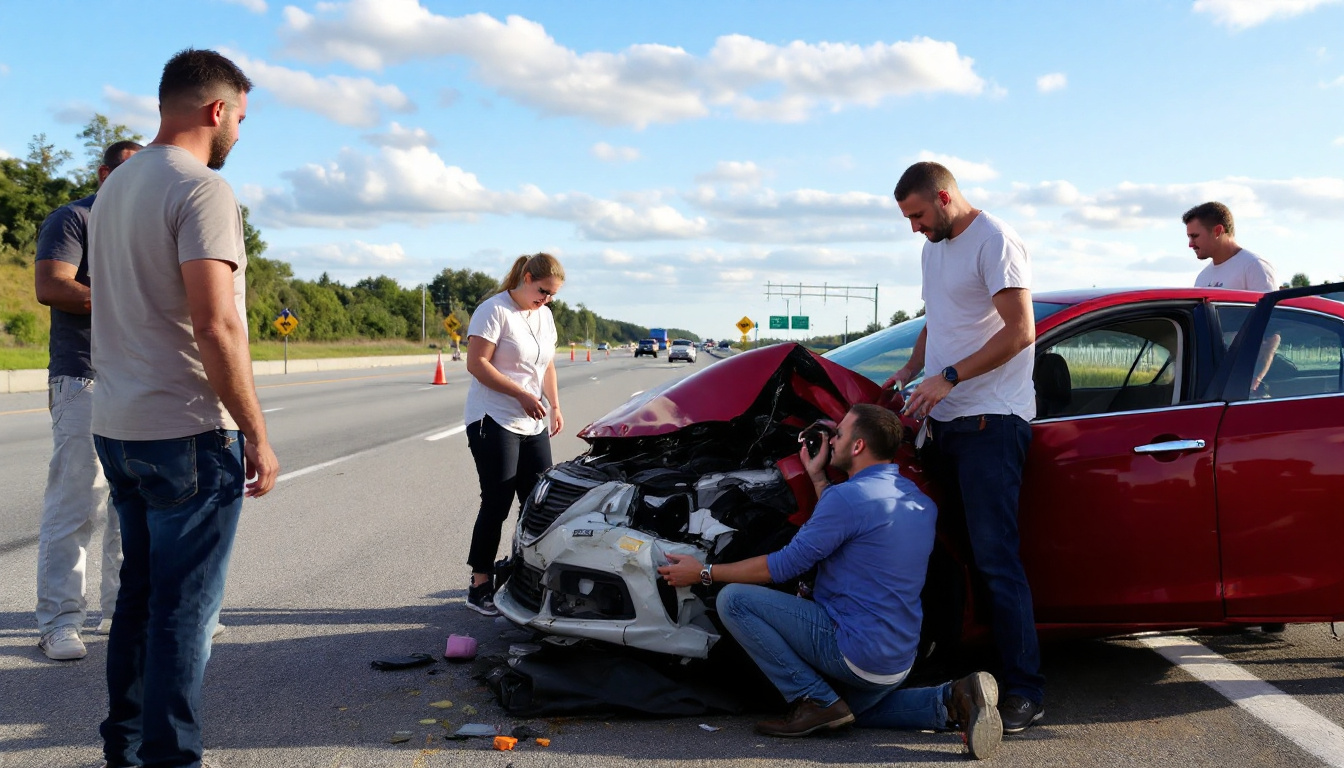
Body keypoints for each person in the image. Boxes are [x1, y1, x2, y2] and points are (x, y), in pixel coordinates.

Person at [88, 49, 278, 768]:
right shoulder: (202, 191)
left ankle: (127, 751)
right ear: (216, 110)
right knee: (183, 614)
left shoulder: (117, 185)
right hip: (189, 432)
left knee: (137, 601)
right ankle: (174, 759)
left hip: (120, 425)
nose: (239, 134)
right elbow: (216, 322)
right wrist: (256, 434)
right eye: (241, 119)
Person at [658, 405, 1002, 758]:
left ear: (857, 447)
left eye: (838, 434)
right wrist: (818, 478)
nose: (831, 440)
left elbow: (783, 566)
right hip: (897, 660)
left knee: (735, 600)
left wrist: (703, 572)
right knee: (852, 711)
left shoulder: (848, 499)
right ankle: (954, 698)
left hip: (855, 651)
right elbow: (848, 524)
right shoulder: (919, 502)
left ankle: (814, 699)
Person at [884, 161, 1045, 734]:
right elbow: (938, 317)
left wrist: (948, 375)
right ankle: (960, 668)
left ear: (945, 196)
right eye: (908, 219)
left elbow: (1022, 329)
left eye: (918, 215)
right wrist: (911, 367)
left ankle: (1026, 690)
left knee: (996, 559)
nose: (914, 228)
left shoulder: (995, 239)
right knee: (948, 555)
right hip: (942, 424)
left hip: (990, 425)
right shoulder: (934, 248)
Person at [32, 140, 141, 661]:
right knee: (77, 503)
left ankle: (122, 612)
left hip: (139, 380)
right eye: (122, 173)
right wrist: (130, 294)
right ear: (103, 174)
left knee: (130, 507)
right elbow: (52, 285)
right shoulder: (73, 218)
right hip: (83, 378)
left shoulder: (145, 226)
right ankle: (58, 621)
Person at [462, 253, 565, 615]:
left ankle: (523, 575)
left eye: (552, 294)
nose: (546, 299)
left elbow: (547, 363)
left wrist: (554, 404)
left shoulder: (545, 316)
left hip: (531, 420)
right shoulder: (493, 310)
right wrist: (520, 394)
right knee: (497, 500)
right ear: (525, 277)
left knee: (539, 502)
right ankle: (479, 585)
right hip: (493, 418)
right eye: (542, 291)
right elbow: (477, 364)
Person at [1184, 202, 1276, 291]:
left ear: (1218, 231)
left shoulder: (1254, 267)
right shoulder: (1202, 278)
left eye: (1195, 236)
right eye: (1189, 237)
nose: (1190, 244)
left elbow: (1270, 306)